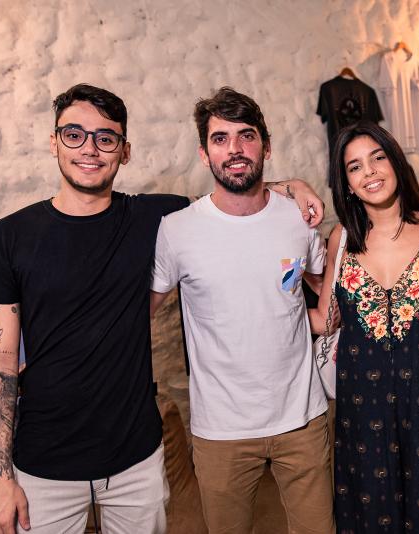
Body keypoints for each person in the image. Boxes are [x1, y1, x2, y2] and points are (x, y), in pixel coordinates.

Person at [0, 83, 323, 534]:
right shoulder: (10, 236)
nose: (90, 149)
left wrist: (294, 187)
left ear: (124, 151)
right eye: (74, 135)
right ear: (54, 142)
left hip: (135, 458)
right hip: (44, 458)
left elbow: (236, 192)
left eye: (106, 138)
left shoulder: (155, 218)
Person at [150, 87, 334, 534]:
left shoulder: (297, 218)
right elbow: (141, 314)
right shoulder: (177, 231)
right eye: (220, 139)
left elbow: (323, 289)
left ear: (266, 146)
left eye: (246, 136)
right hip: (222, 432)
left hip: (302, 419)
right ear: (204, 153)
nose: (234, 149)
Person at [313, 120, 419, 533]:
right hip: (362, 410)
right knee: (370, 514)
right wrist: (271, 302)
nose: (370, 172)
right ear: (346, 184)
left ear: (396, 162)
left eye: (378, 158)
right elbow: (325, 319)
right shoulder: (341, 239)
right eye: (355, 167)